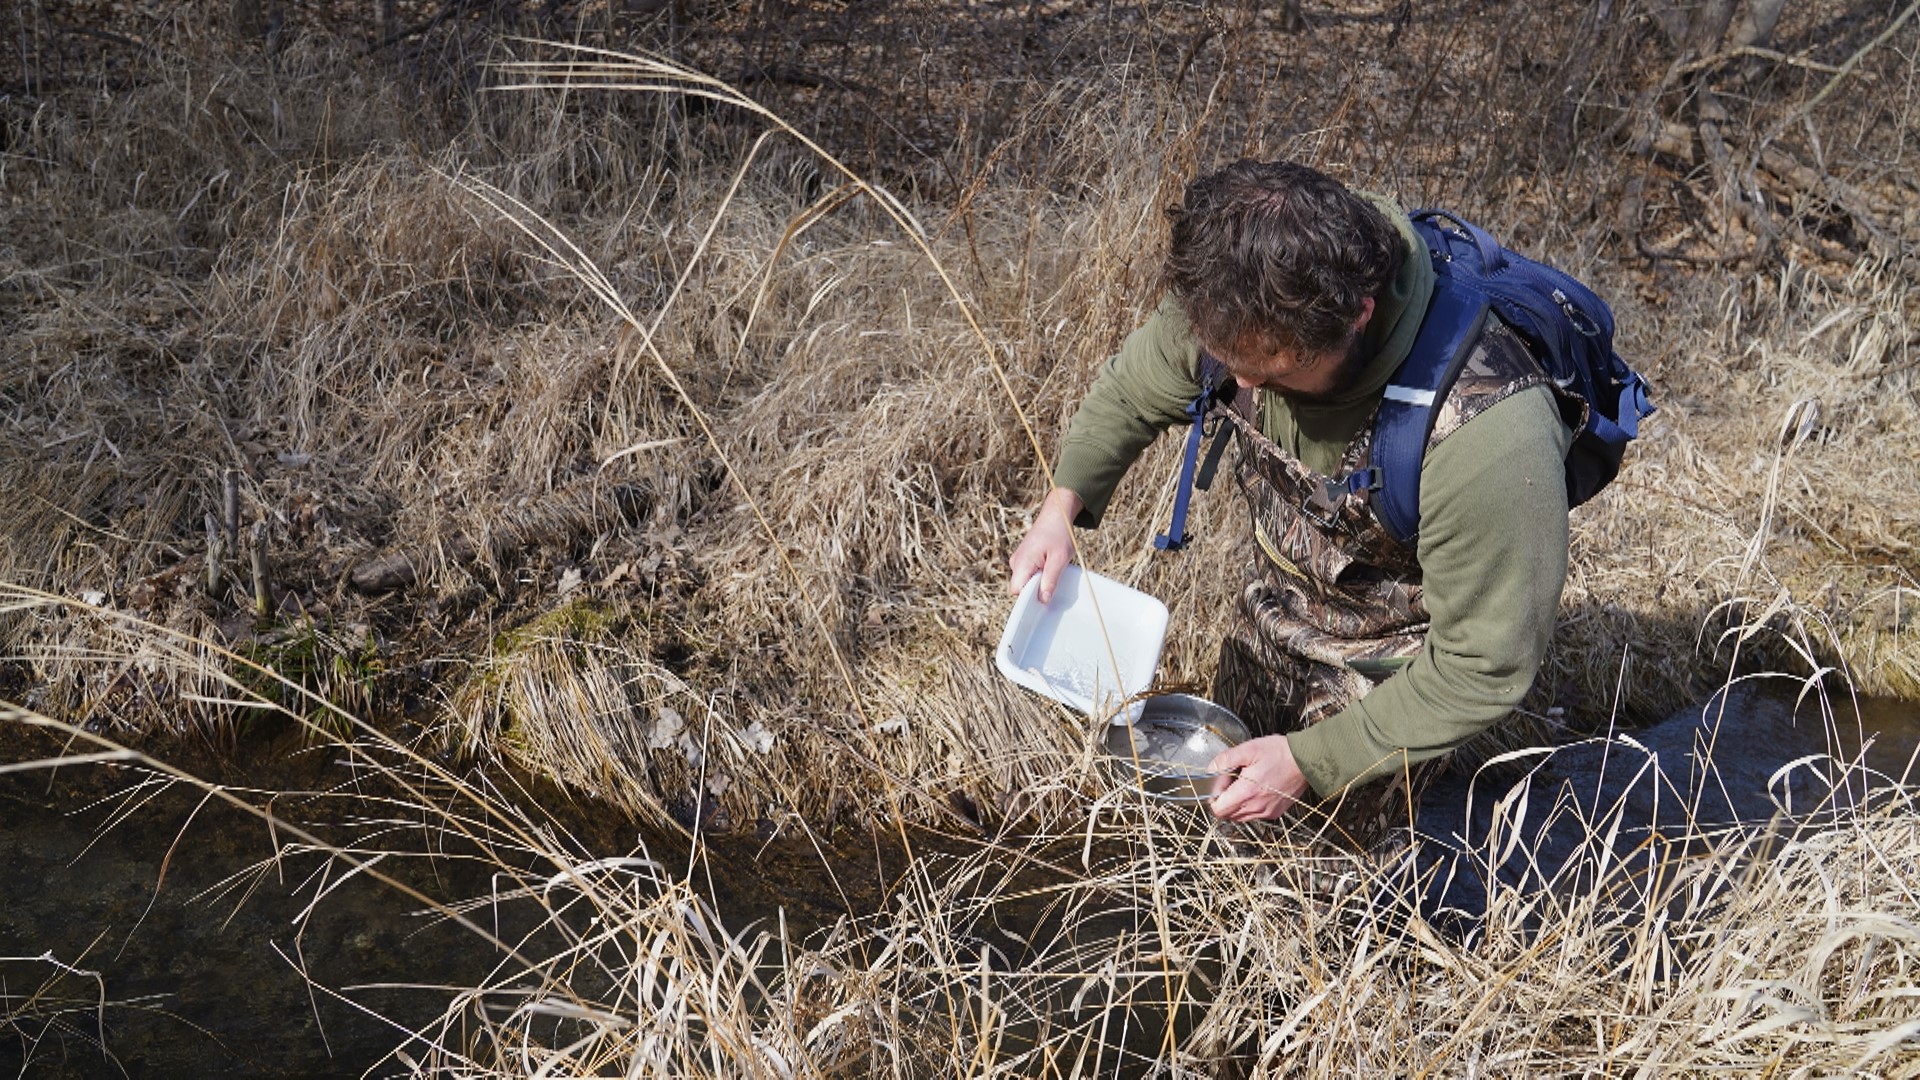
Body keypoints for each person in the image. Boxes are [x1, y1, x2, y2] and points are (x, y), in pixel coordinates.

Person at [1006, 159, 1576, 854]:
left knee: (1325, 883)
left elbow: (1484, 664)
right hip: (1275, 608)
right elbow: (1132, 392)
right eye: (1227, 358)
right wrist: (1061, 508)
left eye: (1273, 367)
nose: (1242, 381)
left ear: (1358, 315)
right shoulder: (1235, 286)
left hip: (1397, 667)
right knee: (1218, 828)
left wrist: (1315, 761)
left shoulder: (1490, 431)